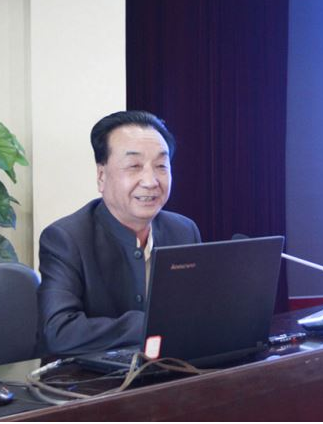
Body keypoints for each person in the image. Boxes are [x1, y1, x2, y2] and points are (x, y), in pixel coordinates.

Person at [38, 111, 201, 355]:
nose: (151, 181)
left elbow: (198, 312)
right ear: (101, 176)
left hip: (171, 368)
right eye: (134, 166)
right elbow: (59, 332)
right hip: (91, 377)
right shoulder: (65, 238)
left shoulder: (184, 231)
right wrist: (151, 324)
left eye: (161, 166)